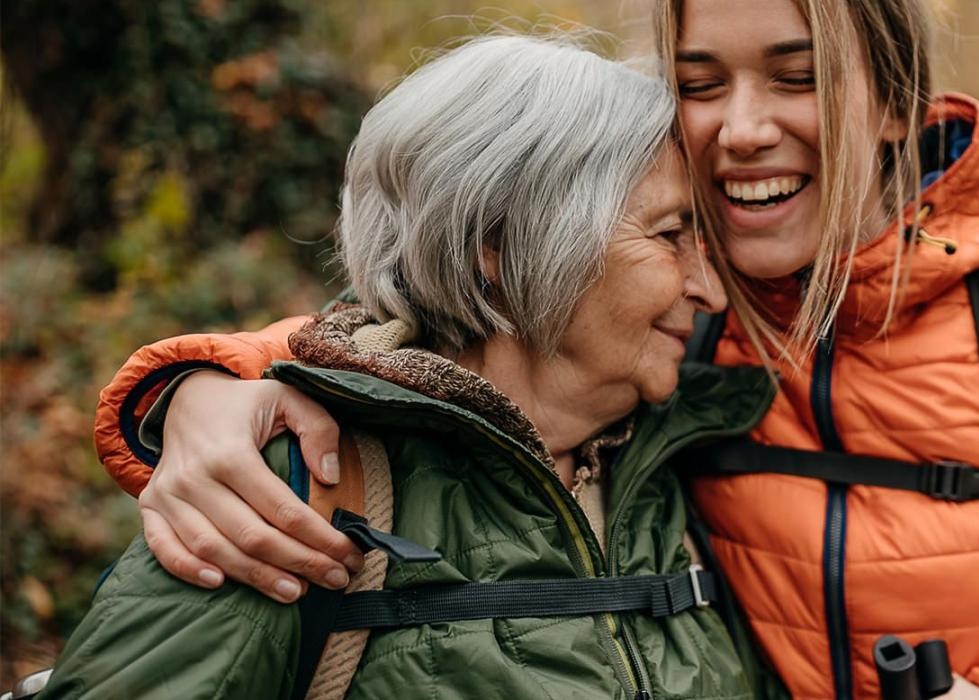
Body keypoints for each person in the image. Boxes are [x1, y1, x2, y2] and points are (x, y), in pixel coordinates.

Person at [88, 1, 979, 697]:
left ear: (899, 99)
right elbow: (426, 341)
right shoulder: (671, 325)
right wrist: (203, 384)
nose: (742, 127)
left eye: (798, 76)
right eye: (699, 83)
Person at [47, 34, 781, 699]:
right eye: (669, 235)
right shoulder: (291, 497)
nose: (709, 288)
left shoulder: (675, 477)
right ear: (499, 249)